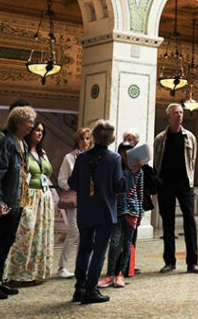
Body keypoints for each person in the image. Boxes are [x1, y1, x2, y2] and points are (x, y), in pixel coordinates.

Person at [0, 105, 36, 300]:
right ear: (19, 122)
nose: (32, 125)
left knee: (7, 242)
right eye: (29, 121)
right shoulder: (8, 143)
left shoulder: (22, 144)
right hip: (7, 202)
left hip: (17, 201)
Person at [68, 120, 125, 304]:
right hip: (105, 211)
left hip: (85, 210)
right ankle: (91, 289)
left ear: (94, 136)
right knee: (99, 251)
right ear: (110, 138)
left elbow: (72, 183)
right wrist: (131, 172)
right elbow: (118, 186)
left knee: (84, 249)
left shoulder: (82, 158)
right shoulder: (114, 158)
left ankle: (79, 288)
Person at [153, 103, 198, 273]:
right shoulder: (160, 139)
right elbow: (156, 162)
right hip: (165, 184)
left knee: (190, 222)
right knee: (168, 223)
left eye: (181, 112)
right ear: (169, 116)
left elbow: (192, 161)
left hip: (184, 184)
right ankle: (170, 261)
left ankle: (192, 262)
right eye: (176, 113)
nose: (179, 115)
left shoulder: (190, 137)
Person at [4, 119, 54, 285]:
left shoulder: (43, 153)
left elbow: (47, 174)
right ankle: (16, 274)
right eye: (36, 130)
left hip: (44, 197)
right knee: (24, 235)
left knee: (40, 235)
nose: (39, 134)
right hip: (29, 196)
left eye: (42, 131)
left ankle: (35, 272)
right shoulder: (22, 150)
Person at [99, 132, 144, 288]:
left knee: (127, 244)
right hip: (117, 211)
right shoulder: (114, 170)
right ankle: (109, 274)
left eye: (128, 152)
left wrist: (140, 214)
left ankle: (121, 274)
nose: (125, 155)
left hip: (132, 211)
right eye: (123, 152)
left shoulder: (139, 172)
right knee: (114, 243)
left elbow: (140, 193)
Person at [56, 127, 92, 278]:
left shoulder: (92, 157)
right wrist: (76, 185)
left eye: (87, 138)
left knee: (87, 233)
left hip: (90, 200)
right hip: (75, 199)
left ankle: (81, 266)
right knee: (74, 231)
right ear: (77, 140)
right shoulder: (69, 158)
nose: (85, 141)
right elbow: (61, 180)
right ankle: (62, 267)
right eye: (82, 138)